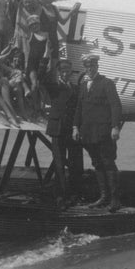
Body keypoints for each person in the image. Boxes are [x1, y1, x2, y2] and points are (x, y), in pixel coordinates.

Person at [74, 54, 123, 212]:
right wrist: (75, 127)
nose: (90, 69)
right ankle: (103, 197)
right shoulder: (83, 85)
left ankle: (115, 199)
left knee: (108, 162)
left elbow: (115, 106)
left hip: (103, 131)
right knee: (96, 163)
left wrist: (115, 127)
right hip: (87, 131)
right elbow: (79, 109)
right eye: (87, 67)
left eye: (92, 66)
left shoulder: (106, 83)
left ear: (97, 67)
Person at [43, 58, 83, 202]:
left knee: (76, 162)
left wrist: (77, 127)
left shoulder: (76, 88)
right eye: (63, 71)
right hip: (57, 128)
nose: (66, 73)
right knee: (59, 162)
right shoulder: (54, 86)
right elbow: (43, 76)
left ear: (71, 72)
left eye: (68, 71)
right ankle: (61, 194)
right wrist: (47, 58)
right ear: (59, 72)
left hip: (72, 129)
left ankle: (75, 193)